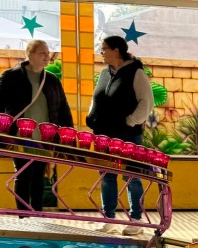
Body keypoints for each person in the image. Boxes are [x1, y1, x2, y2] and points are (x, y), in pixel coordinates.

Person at [86, 35, 153, 235]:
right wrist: (91, 117)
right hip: (104, 135)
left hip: (128, 135)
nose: (101, 52)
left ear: (116, 50)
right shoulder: (104, 74)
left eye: (104, 49)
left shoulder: (136, 73)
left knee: (131, 177)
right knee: (107, 176)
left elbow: (146, 102)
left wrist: (130, 121)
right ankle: (109, 218)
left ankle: (136, 220)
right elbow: (96, 99)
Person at [0, 39, 73, 213]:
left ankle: (37, 214)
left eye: (47, 53)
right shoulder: (11, 77)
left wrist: (68, 133)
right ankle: (24, 215)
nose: (47, 56)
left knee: (39, 176)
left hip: (44, 138)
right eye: (42, 53)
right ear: (30, 55)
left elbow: (63, 108)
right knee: (23, 174)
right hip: (20, 136)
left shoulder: (52, 80)